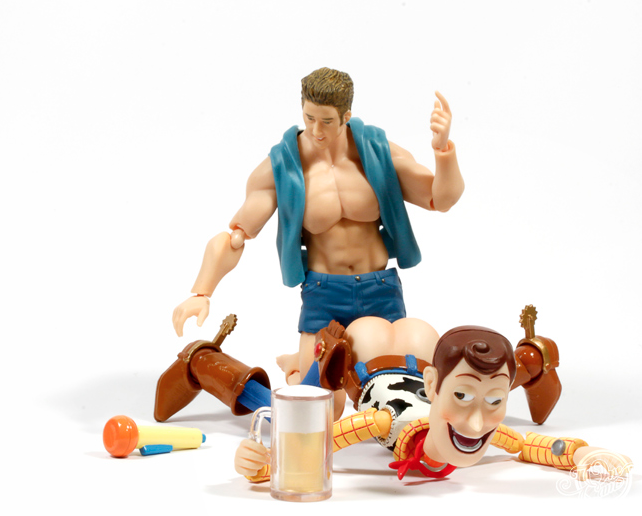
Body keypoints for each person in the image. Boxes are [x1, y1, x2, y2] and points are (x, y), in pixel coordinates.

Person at [171, 67, 465, 389]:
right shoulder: (282, 166)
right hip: (325, 293)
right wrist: (202, 292)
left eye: (326, 121)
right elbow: (236, 237)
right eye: (309, 118)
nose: (316, 130)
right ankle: (298, 366)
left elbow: (440, 198)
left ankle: (301, 361)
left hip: (380, 288)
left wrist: (443, 152)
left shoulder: (378, 152)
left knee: (395, 385)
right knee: (322, 401)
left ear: (346, 116)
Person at [234, 321, 631, 483]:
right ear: (435, 387)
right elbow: (321, 441)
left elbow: (528, 445)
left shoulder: (483, 429)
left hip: (422, 350)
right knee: (302, 398)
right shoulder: (383, 421)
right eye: (461, 397)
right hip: (367, 356)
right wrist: (267, 464)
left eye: (496, 400)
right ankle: (292, 365)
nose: (476, 425)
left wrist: (580, 453)